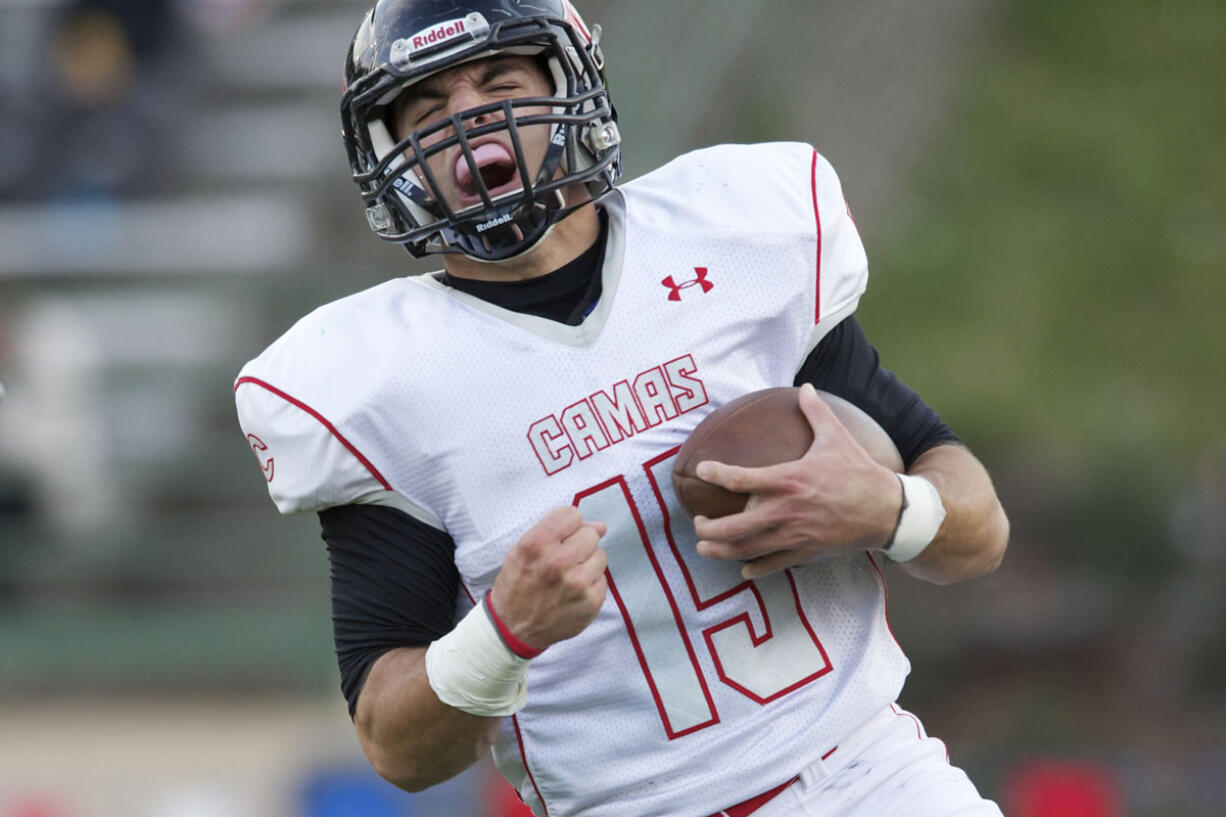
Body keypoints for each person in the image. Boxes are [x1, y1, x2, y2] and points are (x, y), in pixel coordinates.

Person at [234, 1, 1010, 815]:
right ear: (397, 155)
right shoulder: (382, 383)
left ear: (567, 89)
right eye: (429, 111)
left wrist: (888, 506)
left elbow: (978, 530)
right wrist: (502, 635)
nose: (468, 122)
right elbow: (396, 746)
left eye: (498, 83)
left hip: (870, 779)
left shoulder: (735, 242)